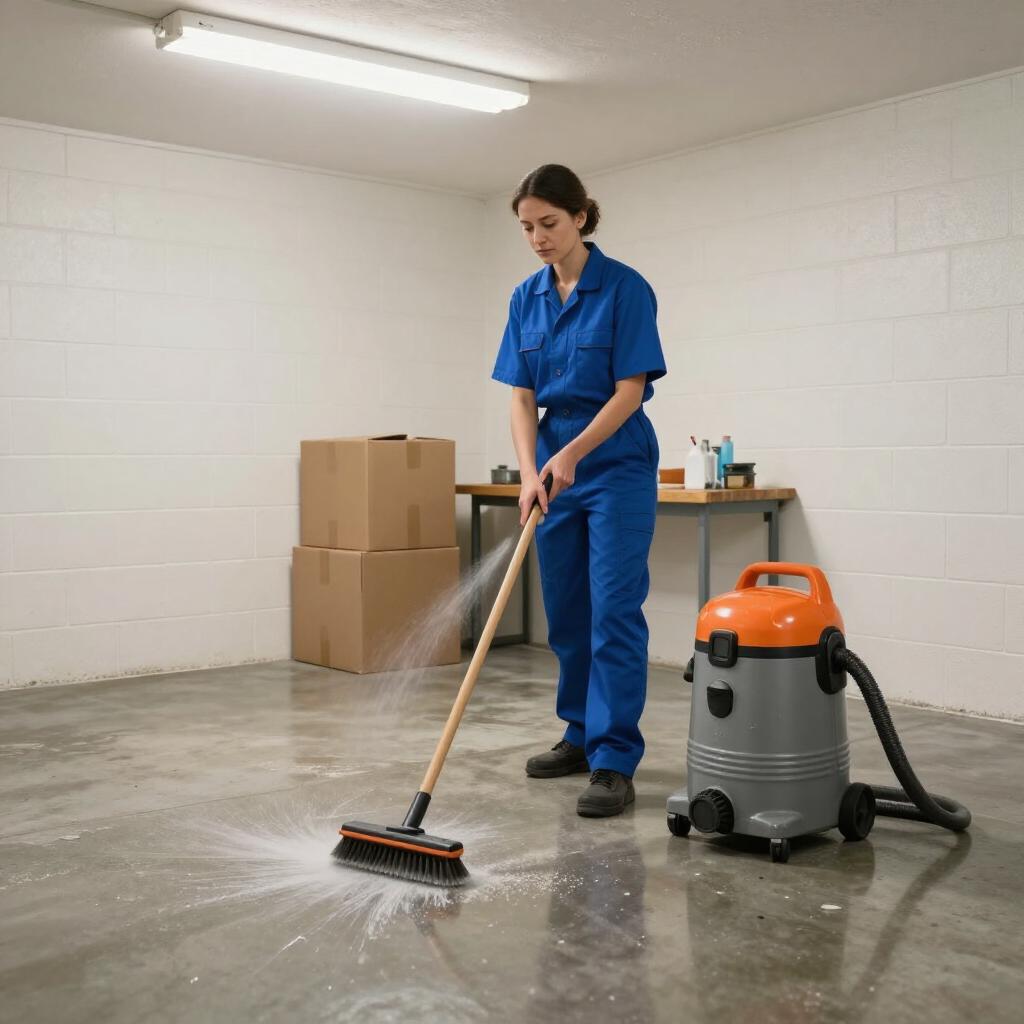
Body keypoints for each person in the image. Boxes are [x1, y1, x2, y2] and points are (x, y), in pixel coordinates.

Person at [491, 164, 666, 818]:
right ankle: (578, 734)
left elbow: (629, 392)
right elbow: (520, 394)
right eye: (527, 227)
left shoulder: (625, 289)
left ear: (582, 218)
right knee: (566, 609)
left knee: (614, 608)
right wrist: (531, 465)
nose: (538, 237)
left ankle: (614, 758)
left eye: (549, 223)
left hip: (614, 461)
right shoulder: (524, 297)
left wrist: (569, 454)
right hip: (552, 463)